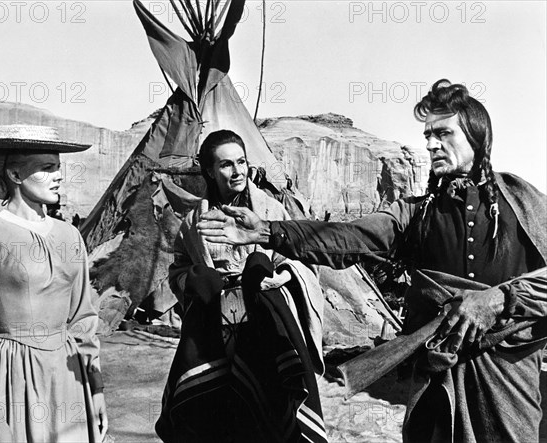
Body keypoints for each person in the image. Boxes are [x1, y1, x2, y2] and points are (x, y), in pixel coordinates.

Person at [198, 80, 547, 442]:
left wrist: (499, 299)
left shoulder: (522, 204)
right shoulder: (415, 213)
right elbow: (350, 238)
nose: (430, 144)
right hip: (437, 381)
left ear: (476, 136)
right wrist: (268, 232)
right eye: (427, 135)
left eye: (442, 133)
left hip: (507, 381)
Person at [156, 130, 327, 442]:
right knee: (220, 408)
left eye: (241, 162)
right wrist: (194, 281)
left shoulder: (271, 210)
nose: (236, 171)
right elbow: (178, 268)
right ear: (209, 170)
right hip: (215, 326)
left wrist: (277, 278)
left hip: (263, 322)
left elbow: (300, 261)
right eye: (225, 165)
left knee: (268, 402)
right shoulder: (195, 219)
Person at [0, 125, 108, 442]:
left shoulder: (69, 236)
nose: (58, 176)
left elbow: (83, 319)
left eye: (58, 168)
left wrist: (95, 388)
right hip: (10, 381)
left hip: (67, 380)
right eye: (47, 168)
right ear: (15, 174)